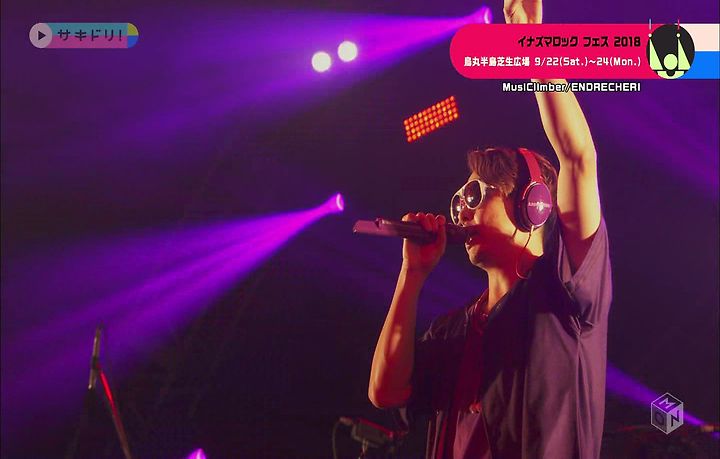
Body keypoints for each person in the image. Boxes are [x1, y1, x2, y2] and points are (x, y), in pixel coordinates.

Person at [367, 0, 612, 458]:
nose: (461, 211)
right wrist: (412, 276)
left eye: (476, 194)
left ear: (533, 205)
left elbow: (579, 157)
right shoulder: (453, 329)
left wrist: (531, 40)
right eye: (458, 200)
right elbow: (386, 392)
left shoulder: (563, 293)